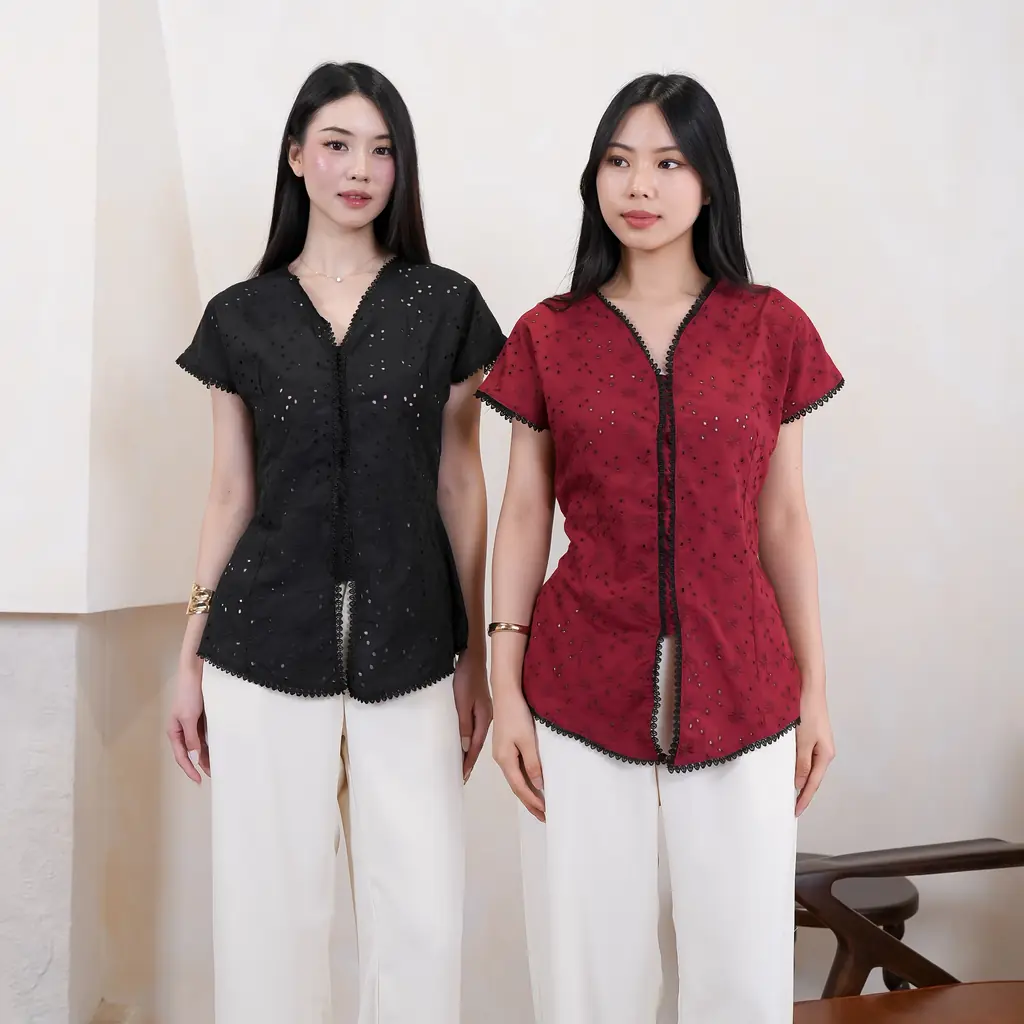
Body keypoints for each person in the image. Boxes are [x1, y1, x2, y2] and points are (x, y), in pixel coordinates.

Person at [479, 72, 844, 1024]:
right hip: (576, 690)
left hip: (747, 687)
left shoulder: (770, 328)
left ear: (709, 181)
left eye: (668, 163)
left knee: (743, 975)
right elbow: (523, 515)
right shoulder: (548, 334)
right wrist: (506, 687)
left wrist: (814, 689)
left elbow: (784, 519)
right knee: (590, 977)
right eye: (619, 161)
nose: (639, 185)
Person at [166, 61, 504, 1024]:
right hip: (261, 647)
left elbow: (460, 483)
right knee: (269, 923)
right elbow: (229, 492)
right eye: (338, 144)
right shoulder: (242, 315)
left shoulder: (445, 305)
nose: (360, 169)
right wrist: (188, 655)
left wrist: (476, 656)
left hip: (414, 647)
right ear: (296, 156)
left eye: (382, 150)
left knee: (420, 922)